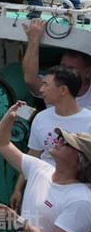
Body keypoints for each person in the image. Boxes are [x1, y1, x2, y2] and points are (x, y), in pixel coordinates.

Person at [0, 107, 91, 232]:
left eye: (65, 142)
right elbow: (1, 142)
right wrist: (9, 117)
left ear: (79, 159)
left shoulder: (81, 200)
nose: (57, 141)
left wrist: (18, 222)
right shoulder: (40, 168)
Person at [10, 66, 91, 210]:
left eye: (46, 84)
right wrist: (18, 188)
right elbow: (32, 157)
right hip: (42, 188)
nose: (41, 90)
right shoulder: (41, 118)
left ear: (63, 90)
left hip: (74, 194)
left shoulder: (88, 120)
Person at [22, 18, 91, 109]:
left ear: (87, 72)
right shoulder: (52, 86)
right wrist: (33, 39)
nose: (65, 72)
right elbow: (31, 79)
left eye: (72, 68)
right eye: (63, 67)